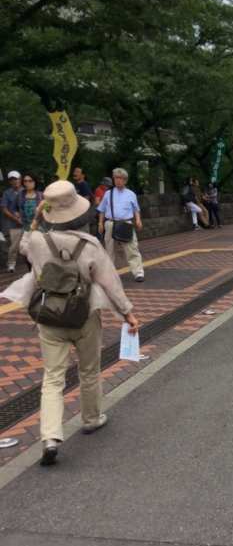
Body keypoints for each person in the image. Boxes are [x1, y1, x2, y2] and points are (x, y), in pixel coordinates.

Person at [1, 180, 139, 466]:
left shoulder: (37, 242)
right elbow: (111, 284)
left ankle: (50, 437)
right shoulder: (90, 245)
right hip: (84, 315)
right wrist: (128, 313)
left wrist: (37, 218)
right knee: (89, 370)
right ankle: (91, 418)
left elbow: (26, 241)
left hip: (48, 316)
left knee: (52, 378)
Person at [97, 168, 145, 282]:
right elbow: (102, 210)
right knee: (109, 250)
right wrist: (100, 223)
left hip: (126, 223)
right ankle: (109, 274)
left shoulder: (131, 194)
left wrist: (138, 220)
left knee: (132, 249)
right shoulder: (108, 194)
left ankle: (138, 272)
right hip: (110, 223)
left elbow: (136, 209)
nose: (117, 180)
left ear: (125, 180)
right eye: (115, 178)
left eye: (120, 178)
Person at [1, 170, 24, 272]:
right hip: (12, 223)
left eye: (16, 179)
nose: (15, 181)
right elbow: (4, 209)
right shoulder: (7, 193)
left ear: (20, 179)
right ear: (10, 182)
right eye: (12, 180)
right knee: (13, 245)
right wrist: (16, 219)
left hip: (27, 222)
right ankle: (11, 264)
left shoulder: (26, 190)